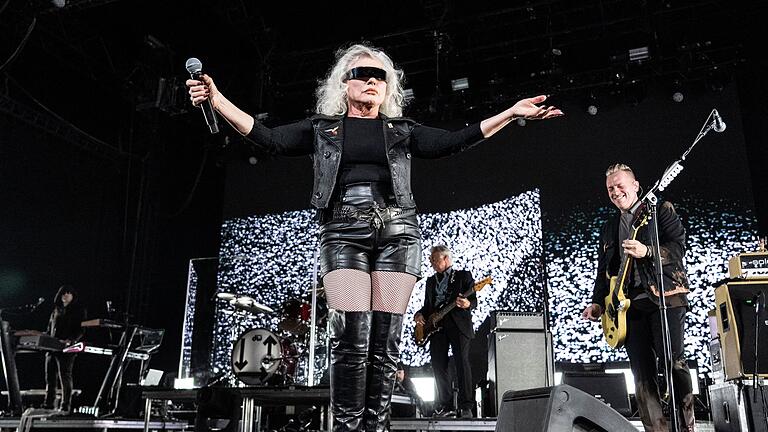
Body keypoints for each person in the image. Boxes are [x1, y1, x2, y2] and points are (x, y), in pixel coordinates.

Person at [187, 42, 562, 431]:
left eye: (380, 76)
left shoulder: (401, 131)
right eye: (361, 74)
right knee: (351, 340)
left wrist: (512, 112)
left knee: (385, 344)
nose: (371, 80)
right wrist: (216, 100)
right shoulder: (322, 129)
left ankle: (377, 427)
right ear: (343, 84)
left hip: (398, 236)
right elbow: (267, 137)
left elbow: (453, 141)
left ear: (388, 88)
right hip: (343, 233)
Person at [581, 164, 695, 432]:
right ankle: (656, 429)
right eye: (610, 188)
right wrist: (598, 302)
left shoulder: (660, 210)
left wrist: (648, 251)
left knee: (673, 362)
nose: (615, 191)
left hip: (665, 297)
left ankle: (686, 427)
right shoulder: (609, 228)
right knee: (641, 376)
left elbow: (679, 247)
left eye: (620, 185)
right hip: (627, 309)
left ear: (636, 185)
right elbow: (604, 271)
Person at [414, 245, 476, 418]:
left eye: (435, 259)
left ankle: (466, 406)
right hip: (437, 329)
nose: (432, 263)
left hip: (458, 325)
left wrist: (467, 304)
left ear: (446, 259)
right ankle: (446, 405)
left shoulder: (463, 276)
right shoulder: (430, 281)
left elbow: (473, 300)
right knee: (438, 366)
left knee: (462, 364)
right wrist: (419, 315)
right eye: (431, 260)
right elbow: (428, 307)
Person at [44, 285, 86, 412]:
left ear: (73, 296)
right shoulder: (56, 310)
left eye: (68, 293)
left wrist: (71, 340)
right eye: (63, 293)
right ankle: (48, 403)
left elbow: (81, 329)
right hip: (52, 347)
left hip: (67, 348)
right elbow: (49, 329)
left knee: (65, 376)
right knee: (50, 377)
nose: (65, 295)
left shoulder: (78, 310)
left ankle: (65, 404)